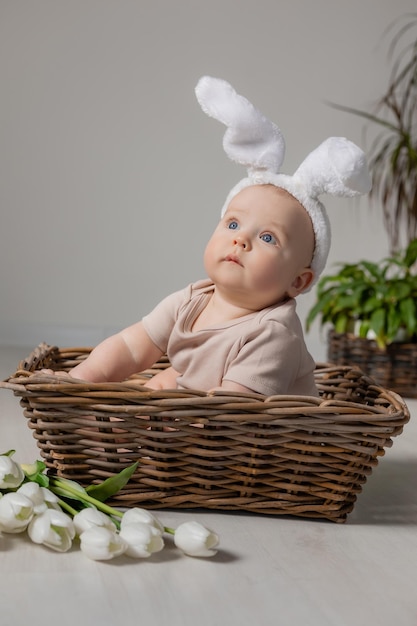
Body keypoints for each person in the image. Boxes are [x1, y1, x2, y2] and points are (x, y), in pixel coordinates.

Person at [67, 76, 372, 397]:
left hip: (250, 437)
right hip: (202, 413)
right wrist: (80, 380)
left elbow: (232, 415)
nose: (241, 240)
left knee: (165, 388)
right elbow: (131, 348)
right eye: (233, 224)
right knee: (160, 382)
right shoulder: (191, 300)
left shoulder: (274, 335)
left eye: (268, 238)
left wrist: (152, 424)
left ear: (298, 282)